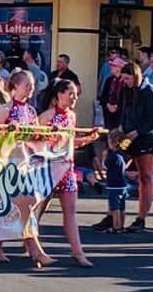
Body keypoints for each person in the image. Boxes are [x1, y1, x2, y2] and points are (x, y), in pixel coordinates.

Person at [0, 69, 53, 267]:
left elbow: (37, 136)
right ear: (15, 86)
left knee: (20, 207)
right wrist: (9, 135)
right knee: (19, 206)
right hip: (9, 167)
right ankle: (35, 249)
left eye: (32, 85)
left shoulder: (31, 111)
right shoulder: (5, 110)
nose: (31, 88)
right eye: (28, 85)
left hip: (26, 166)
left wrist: (46, 133)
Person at [38, 79, 99, 267]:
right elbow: (35, 142)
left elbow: (72, 143)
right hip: (47, 168)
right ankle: (30, 244)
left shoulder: (71, 116)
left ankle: (78, 251)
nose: (74, 97)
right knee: (36, 210)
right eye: (70, 93)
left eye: (75, 94)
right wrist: (49, 135)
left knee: (70, 212)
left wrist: (89, 138)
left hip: (67, 168)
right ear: (59, 94)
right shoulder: (46, 116)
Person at [120, 63, 153, 232]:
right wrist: (122, 128)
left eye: (128, 78)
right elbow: (125, 111)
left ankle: (141, 218)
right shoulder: (128, 90)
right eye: (123, 79)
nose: (125, 82)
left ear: (135, 76)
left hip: (146, 139)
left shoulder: (149, 91)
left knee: (145, 177)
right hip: (129, 137)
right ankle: (113, 214)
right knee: (115, 167)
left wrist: (138, 132)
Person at [103, 130, 129, 234]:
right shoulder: (122, 155)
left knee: (114, 207)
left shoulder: (113, 156)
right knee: (122, 207)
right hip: (122, 184)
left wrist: (104, 157)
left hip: (113, 185)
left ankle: (116, 226)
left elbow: (105, 166)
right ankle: (121, 226)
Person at [99, 57, 126, 130]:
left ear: (119, 68)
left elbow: (126, 98)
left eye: (113, 66)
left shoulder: (125, 81)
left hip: (121, 115)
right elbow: (103, 96)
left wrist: (117, 107)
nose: (111, 67)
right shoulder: (109, 80)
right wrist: (108, 105)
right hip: (108, 114)